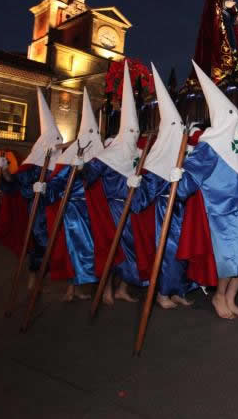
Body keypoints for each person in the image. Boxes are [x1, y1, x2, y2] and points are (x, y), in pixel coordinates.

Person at [176, 62, 238, 319]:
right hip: (220, 211)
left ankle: (231, 298)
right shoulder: (208, 147)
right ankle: (219, 297)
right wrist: (179, 178)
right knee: (231, 259)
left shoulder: (236, 141)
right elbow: (189, 181)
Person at [128, 65, 197, 309]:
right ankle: (162, 294)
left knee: (181, 252)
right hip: (162, 213)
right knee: (167, 252)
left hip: (180, 209)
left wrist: (182, 176)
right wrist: (138, 185)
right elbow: (140, 201)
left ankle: (178, 289)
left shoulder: (183, 154)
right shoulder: (156, 163)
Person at [83, 63, 146, 305]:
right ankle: (106, 289)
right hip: (109, 210)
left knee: (129, 251)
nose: (132, 134)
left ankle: (122, 288)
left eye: (135, 130)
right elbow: (89, 175)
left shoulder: (136, 153)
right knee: (109, 249)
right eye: (129, 130)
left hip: (129, 210)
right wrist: (81, 166)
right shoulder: (108, 155)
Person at [0, 88, 63, 290]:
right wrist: (5, 169)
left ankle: (47, 276)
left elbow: (63, 188)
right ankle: (35, 277)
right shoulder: (31, 168)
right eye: (56, 141)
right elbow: (12, 184)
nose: (59, 145)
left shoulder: (59, 168)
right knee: (39, 244)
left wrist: (48, 189)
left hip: (55, 211)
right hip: (35, 214)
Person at [43, 87, 104, 301]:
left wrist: (84, 169)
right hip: (71, 212)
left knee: (90, 249)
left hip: (91, 211)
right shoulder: (69, 157)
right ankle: (71, 288)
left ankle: (83, 287)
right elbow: (56, 184)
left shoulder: (98, 157)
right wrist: (46, 187)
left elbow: (98, 178)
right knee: (71, 248)